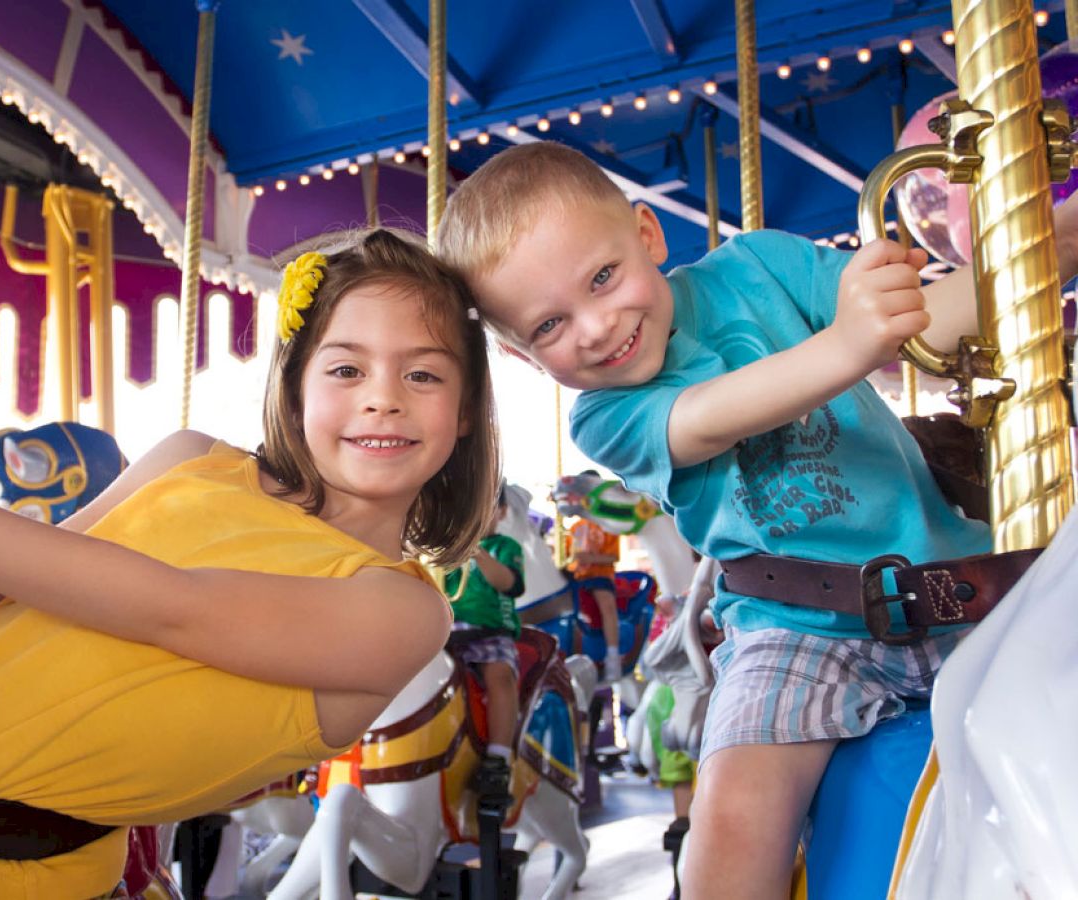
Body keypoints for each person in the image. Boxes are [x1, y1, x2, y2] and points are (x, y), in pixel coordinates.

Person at [436, 140, 1078, 899]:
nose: (595, 327)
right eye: (548, 327)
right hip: (798, 631)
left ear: (647, 234)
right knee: (735, 816)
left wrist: (1054, 240)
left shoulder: (762, 268)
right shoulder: (603, 415)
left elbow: (924, 323)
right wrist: (846, 343)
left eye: (603, 278)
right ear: (518, 355)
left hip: (963, 586)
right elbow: (711, 418)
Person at [0, 228, 500, 899]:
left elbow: (171, 610)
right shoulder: (189, 461)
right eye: (347, 369)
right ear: (294, 385)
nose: (384, 398)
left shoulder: (400, 611)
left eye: (423, 374)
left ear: (464, 411)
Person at [443, 483, 525, 801]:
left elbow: (508, 583)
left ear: (502, 512)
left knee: (499, 676)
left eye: (485, 507)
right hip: (448, 633)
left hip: (490, 631)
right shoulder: (446, 551)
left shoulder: (504, 547)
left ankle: (498, 756)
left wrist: (475, 548)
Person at [565, 474, 623, 680]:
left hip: (599, 576)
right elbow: (565, 558)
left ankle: (613, 655)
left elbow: (613, 556)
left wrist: (589, 557)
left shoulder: (607, 524)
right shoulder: (574, 528)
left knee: (606, 604)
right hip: (577, 578)